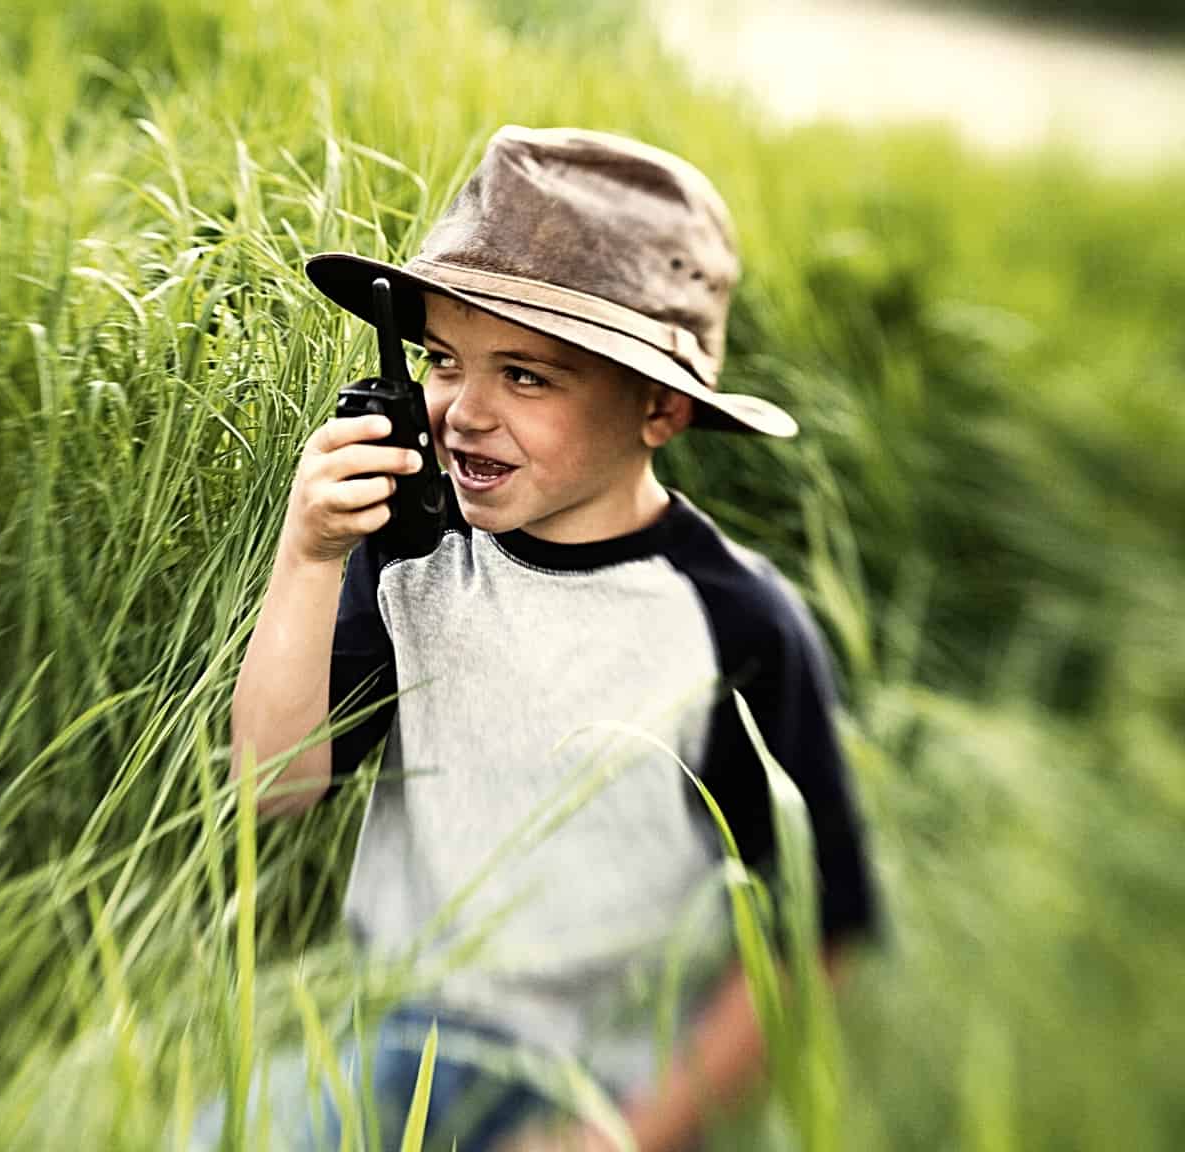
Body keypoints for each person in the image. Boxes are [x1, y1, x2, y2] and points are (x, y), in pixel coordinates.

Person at [222, 125, 881, 1151]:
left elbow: (814, 931)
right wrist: (306, 558)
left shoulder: (734, 624)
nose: (461, 413)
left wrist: (630, 1134)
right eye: (443, 360)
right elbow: (271, 787)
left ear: (657, 406)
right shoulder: (409, 560)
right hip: (400, 1038)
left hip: (616, 1082)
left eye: (525, 378)